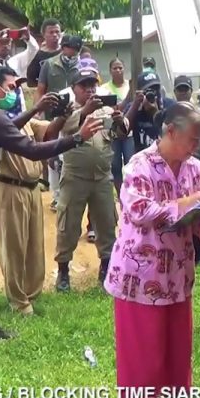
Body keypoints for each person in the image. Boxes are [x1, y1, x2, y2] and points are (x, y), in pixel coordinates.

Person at [0, 65, 102, 362]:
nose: (13, 92)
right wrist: (77, 138)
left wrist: (36, 108)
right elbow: (32, 150)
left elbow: (10, 127)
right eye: (10, 86)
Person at [104, 102, 200, 398]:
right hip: (139, 278)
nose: (196, 146)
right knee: (142, 363)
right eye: (192, 139)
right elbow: (138, 210)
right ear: (171, 131)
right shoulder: (139, 165)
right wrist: (185, 204)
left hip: (177, 277)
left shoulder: (195, 169)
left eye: (199, 140)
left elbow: (197, 218)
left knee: (177, 359)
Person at [0, 94, 76, 316]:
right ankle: (18, 301)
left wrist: (62, 115)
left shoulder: (29, 122)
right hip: (9, 187)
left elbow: (49, 132)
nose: (13, 92)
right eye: (10, 86)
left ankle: (31, 292)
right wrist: (36, 107)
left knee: (33, 244)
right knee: (13, 245)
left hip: (32, 188)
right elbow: (7, 130)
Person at [50, 68, 129, 292]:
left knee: (106, 224)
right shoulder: (68, 110)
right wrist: (84, 111)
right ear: (74, 88)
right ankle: (63, 271)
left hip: (102, 178)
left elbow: (119, 135)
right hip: (75, 178)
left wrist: (119, 120)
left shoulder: (106, 109)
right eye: (84, 86)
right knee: (68, 226)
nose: (90, 89)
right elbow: (63, 128)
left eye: (93, 85)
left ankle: (106, 267)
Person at [171, 75, 200, 269]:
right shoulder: (170, 113)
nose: (183, 93)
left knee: (197, 211)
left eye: (186, 89)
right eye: (179, 89)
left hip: (196, 166)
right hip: (175, 166)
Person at [38, 34, 82, 211]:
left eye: (77, 50)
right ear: (63, 47)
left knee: (71, 153)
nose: (74, 54)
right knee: (53, 157)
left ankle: (72, 192)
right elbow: (40, 89)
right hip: (52, 114)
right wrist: (39, 111)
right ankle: (56, 196)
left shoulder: (82, 64)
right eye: (72, 49)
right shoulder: (49, 64)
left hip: (76, 113)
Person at [101, 58, 134, 197]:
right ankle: (121, 195)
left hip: (129, 133)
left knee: (130, 163)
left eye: (120, 67)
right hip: (112, 133)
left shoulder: (130, 86)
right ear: (110, 70)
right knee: (115, 166)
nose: (118, 70)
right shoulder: (104, 89)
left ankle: (131, 193)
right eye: (115, 68)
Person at [126, 71, 176, 153]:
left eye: (156, 89)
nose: (154, 93)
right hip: (143, 159)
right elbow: (122, 133)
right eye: (149, 90)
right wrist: (135, 106)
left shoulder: (171, 106)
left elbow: (174, 135)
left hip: (165, 156)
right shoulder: (135, 106)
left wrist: (155, 113)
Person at [26, 18, 62, 88]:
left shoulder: (66, 52)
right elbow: (30, 81)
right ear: (44, 34)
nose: (55, 35)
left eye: (57, 31)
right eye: (51, 32)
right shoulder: (38, 55)